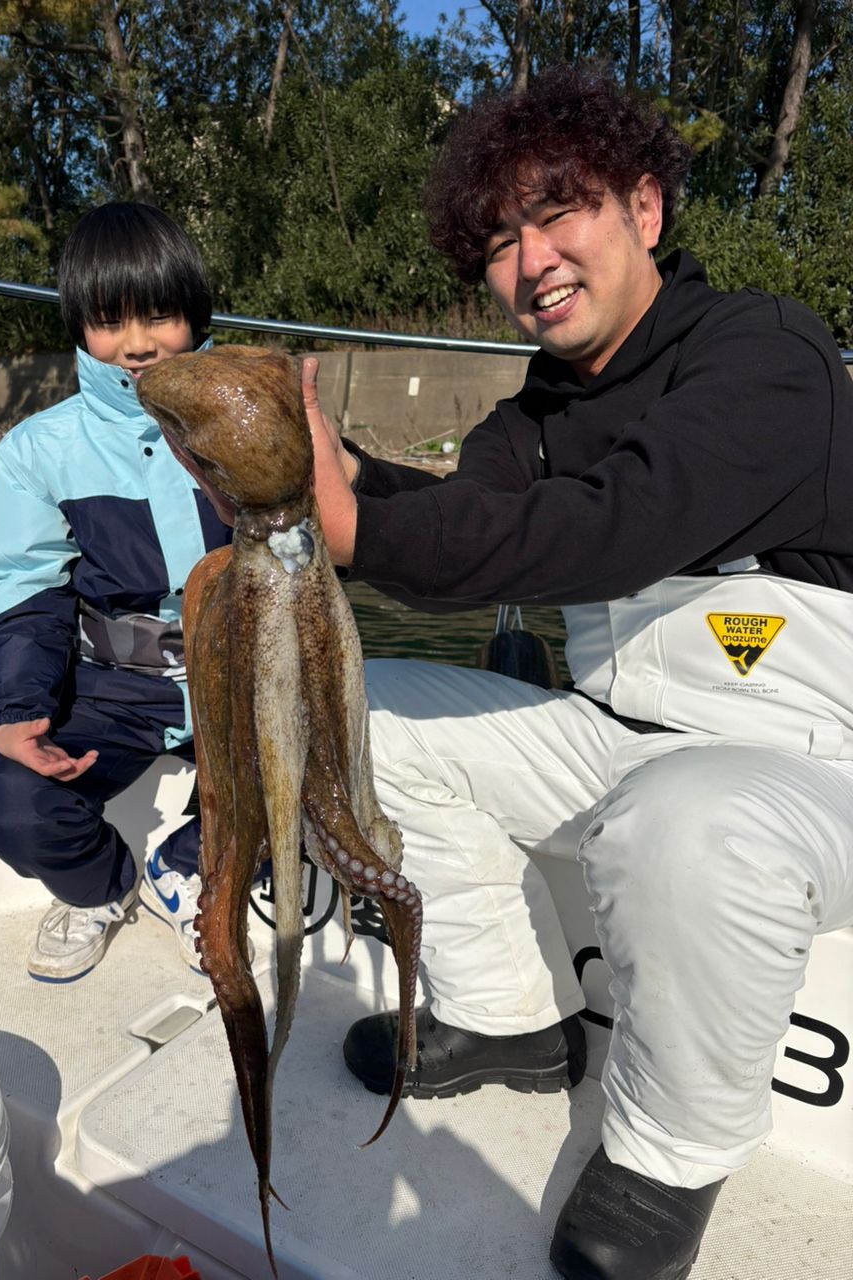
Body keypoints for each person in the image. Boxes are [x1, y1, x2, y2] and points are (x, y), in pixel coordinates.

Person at [301, 65, 853, 1280]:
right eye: (499, 237)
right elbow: (466, 517)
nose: (532, 256)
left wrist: (367, 531)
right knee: (354, 705)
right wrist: (329, 473)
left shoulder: (767, 352)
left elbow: (616, 521)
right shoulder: (533, 416)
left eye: (563, 212)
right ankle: (505, 1014)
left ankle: (668, 1150)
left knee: (691, 821)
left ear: (646, 210)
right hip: (620, 733)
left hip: (810, 770)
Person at [0, 202, 232, 983]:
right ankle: (103, 891)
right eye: (110, 320)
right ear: (80, 325)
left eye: (159, 315)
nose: (139, 343)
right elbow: (23, 589)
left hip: (242, 675)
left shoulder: (248, 418)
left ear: (194, 315)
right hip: (116, 687)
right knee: (13, 806)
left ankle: (187, 868)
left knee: (319, 772)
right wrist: (16, 711)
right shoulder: (37, 451)